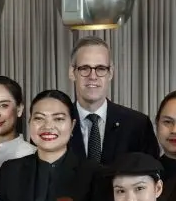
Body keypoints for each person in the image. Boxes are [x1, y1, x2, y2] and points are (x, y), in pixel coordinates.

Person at [66, 37, 159, 165]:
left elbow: (151, 173)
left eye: (101, 68)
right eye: (84, 68)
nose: (92, 76)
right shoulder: (57, 124)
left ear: (110, 73)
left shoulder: (138, 125)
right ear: (72, 72)